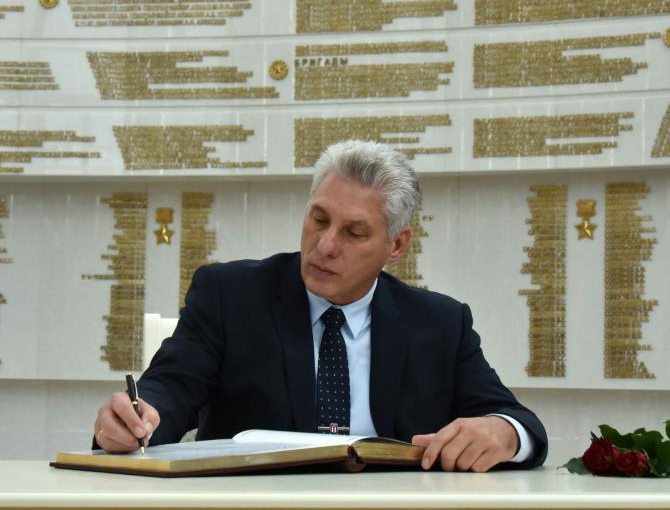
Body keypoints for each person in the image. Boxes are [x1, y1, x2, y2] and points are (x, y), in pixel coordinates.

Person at [94, 140, 548, 472]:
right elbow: (170, 388)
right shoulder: (229, 295)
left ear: (396, 245)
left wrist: (504, 432)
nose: (326, 245)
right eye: (319, 219)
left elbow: (516, 420)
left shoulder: (441, 323)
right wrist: (135, 420)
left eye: (354, 232)